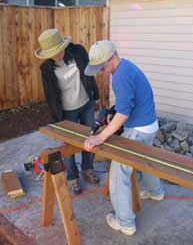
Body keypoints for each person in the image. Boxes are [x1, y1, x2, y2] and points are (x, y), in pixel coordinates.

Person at [83, 40, 164, 236]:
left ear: (112, 58)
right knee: (146, 159)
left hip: (138, 129)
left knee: (119, 176)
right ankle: (156, 192)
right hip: (149, 125)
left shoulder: (120, 76)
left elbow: (125, 113)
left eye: (102, 66)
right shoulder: (126, 67)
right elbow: (126, 102)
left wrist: (100, 137)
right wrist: (113, 111)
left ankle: (125, 222)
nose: (101, 71)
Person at [34, 28, 100, 194]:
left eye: (59, 51)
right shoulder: (46, 69)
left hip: (86, 104)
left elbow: (89, 75)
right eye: (53, 54)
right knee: (69, 144)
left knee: (90, 138)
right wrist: (58, 119)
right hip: (67, 111)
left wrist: (96, 95)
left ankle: (88, 169)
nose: (57, 56)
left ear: (64, 45)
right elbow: (50, 96)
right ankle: (72, 177)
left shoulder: (78, 51)